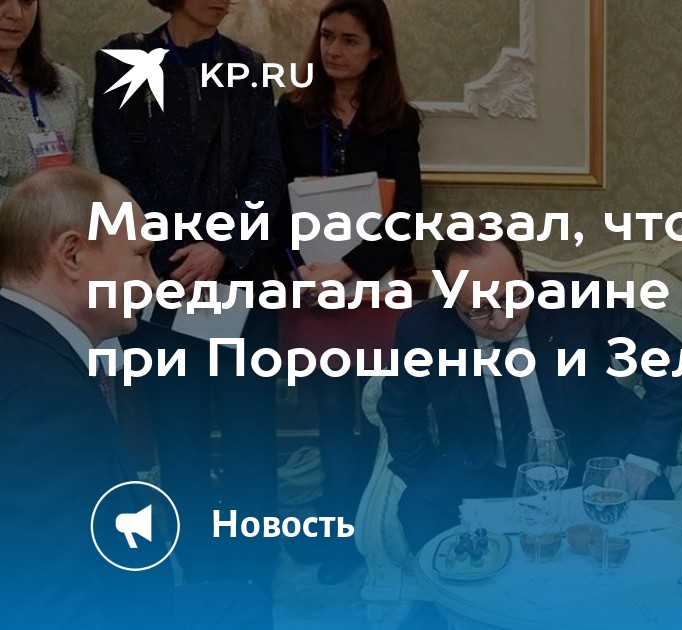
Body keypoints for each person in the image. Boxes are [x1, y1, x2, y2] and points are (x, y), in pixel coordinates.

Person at [0, 167, 270, 629]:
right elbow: (51, 606)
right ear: (72, 255)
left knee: (235, 601)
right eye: (140, 256)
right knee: (241, 607)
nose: (153, 283)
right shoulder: (48, 398)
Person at [92, 0, 285, 590]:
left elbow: (267, 171)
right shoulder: (125, 59)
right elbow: (118, 170)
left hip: (240, 283)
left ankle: (255, 563)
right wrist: (178, 253)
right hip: (161, 278)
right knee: (178, 432)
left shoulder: (250, 66)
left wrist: (221, 246)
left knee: (251, 430)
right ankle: (197, 562)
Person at [378, 228, 682, 550]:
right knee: (419, 507)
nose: (501, 321)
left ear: (524, 274)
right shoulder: (423, 328)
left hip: (592, 460)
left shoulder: (582, 299)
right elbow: (399, 408)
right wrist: (421, 471)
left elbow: (671, 360)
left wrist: (644, 458)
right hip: (483, 469)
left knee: (653, 510)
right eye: (479, 310)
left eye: (512, 297)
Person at [275, 0, 422, 585]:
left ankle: (373, 524)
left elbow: (407, 214)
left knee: (376, 411)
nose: (334, 50)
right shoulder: (291, 112)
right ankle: (339, 529)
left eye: (350, 40)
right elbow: (272, 202)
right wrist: (304, 272)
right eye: (327, 37)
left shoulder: (399, 120)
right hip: (309, 286)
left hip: (373, 284)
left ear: (377, 49)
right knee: (333, 414)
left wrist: (351, 268)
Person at [0, 0, 97, 202]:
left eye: (27, 1)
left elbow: (90, 182)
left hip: (69, 218)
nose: (16, 14)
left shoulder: (68, 84)